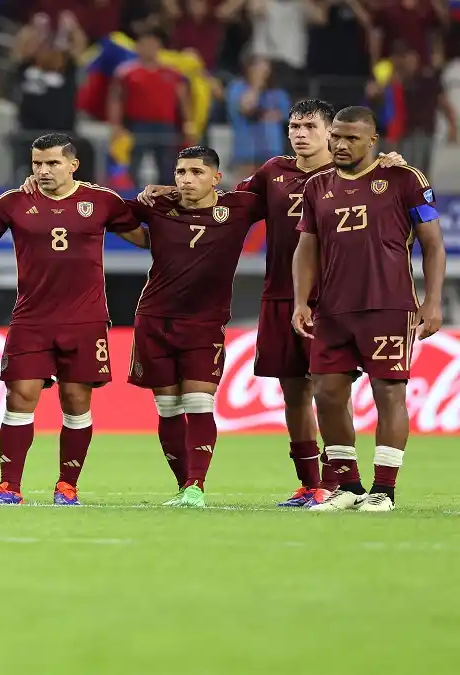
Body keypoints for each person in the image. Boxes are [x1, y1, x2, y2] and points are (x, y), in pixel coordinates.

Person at [137, 99, 407, 507]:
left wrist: (390, 162)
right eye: (294, 126)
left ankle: (342, 483)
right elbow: (224, 203)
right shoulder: (273, 173)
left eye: (310, 127)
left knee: (329, 390)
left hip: (334, 299)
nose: (300, 134)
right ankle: (309, 484)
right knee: (293, 392)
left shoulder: (351, 172)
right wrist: (177, 191)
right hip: (281, 295)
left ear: (330, 132)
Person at [0, 133, 147, 505]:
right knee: (19, 396)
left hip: (85, 320)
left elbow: (145, 238)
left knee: (76, 401)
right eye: (37, 164)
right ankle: (9, 486)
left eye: (52, 163)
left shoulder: (102, 201)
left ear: (73, 165)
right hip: (31, 319)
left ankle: (67, 486)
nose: (43, 171)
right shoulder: (12, 202)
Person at [293, 106, 446, 512]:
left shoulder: (404, 179)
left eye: (351, 138)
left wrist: (431, 301)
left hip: (388, 305)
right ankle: (348, 486)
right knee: (326, 393)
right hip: (333, 307)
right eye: (337, 137)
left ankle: (384, 490)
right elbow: (307, 247)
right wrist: (300, 301)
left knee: (388, 391)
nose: (341, 144)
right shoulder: (316, 187)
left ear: (372, 140)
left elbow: (433, 244)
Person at [128, 146, 265, 508]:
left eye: (196, 172)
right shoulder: (156, 206)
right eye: (180, 172)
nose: (187, 179)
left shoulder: (239, 208)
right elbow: (105, 211)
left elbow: (291, 189)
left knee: (199, 403)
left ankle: (196, 486)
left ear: (216, 178)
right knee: (168, 409)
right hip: (154, 319)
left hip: (204, 324)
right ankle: (183, 487)